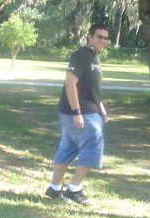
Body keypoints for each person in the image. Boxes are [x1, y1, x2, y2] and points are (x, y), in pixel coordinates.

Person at [45, 23, 110, 205]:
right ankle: (74, 189)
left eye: (105, 38)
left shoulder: (94, 58)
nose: (102, 41)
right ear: (90, 37)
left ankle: (54, 188)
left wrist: (102, 110)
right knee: (93, 146)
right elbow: (70, 84)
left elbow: (91, 90)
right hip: (80, 112)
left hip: (86, 110)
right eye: (99, 37)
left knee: (68, 146)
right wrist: (77, 112)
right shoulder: (82, 55)